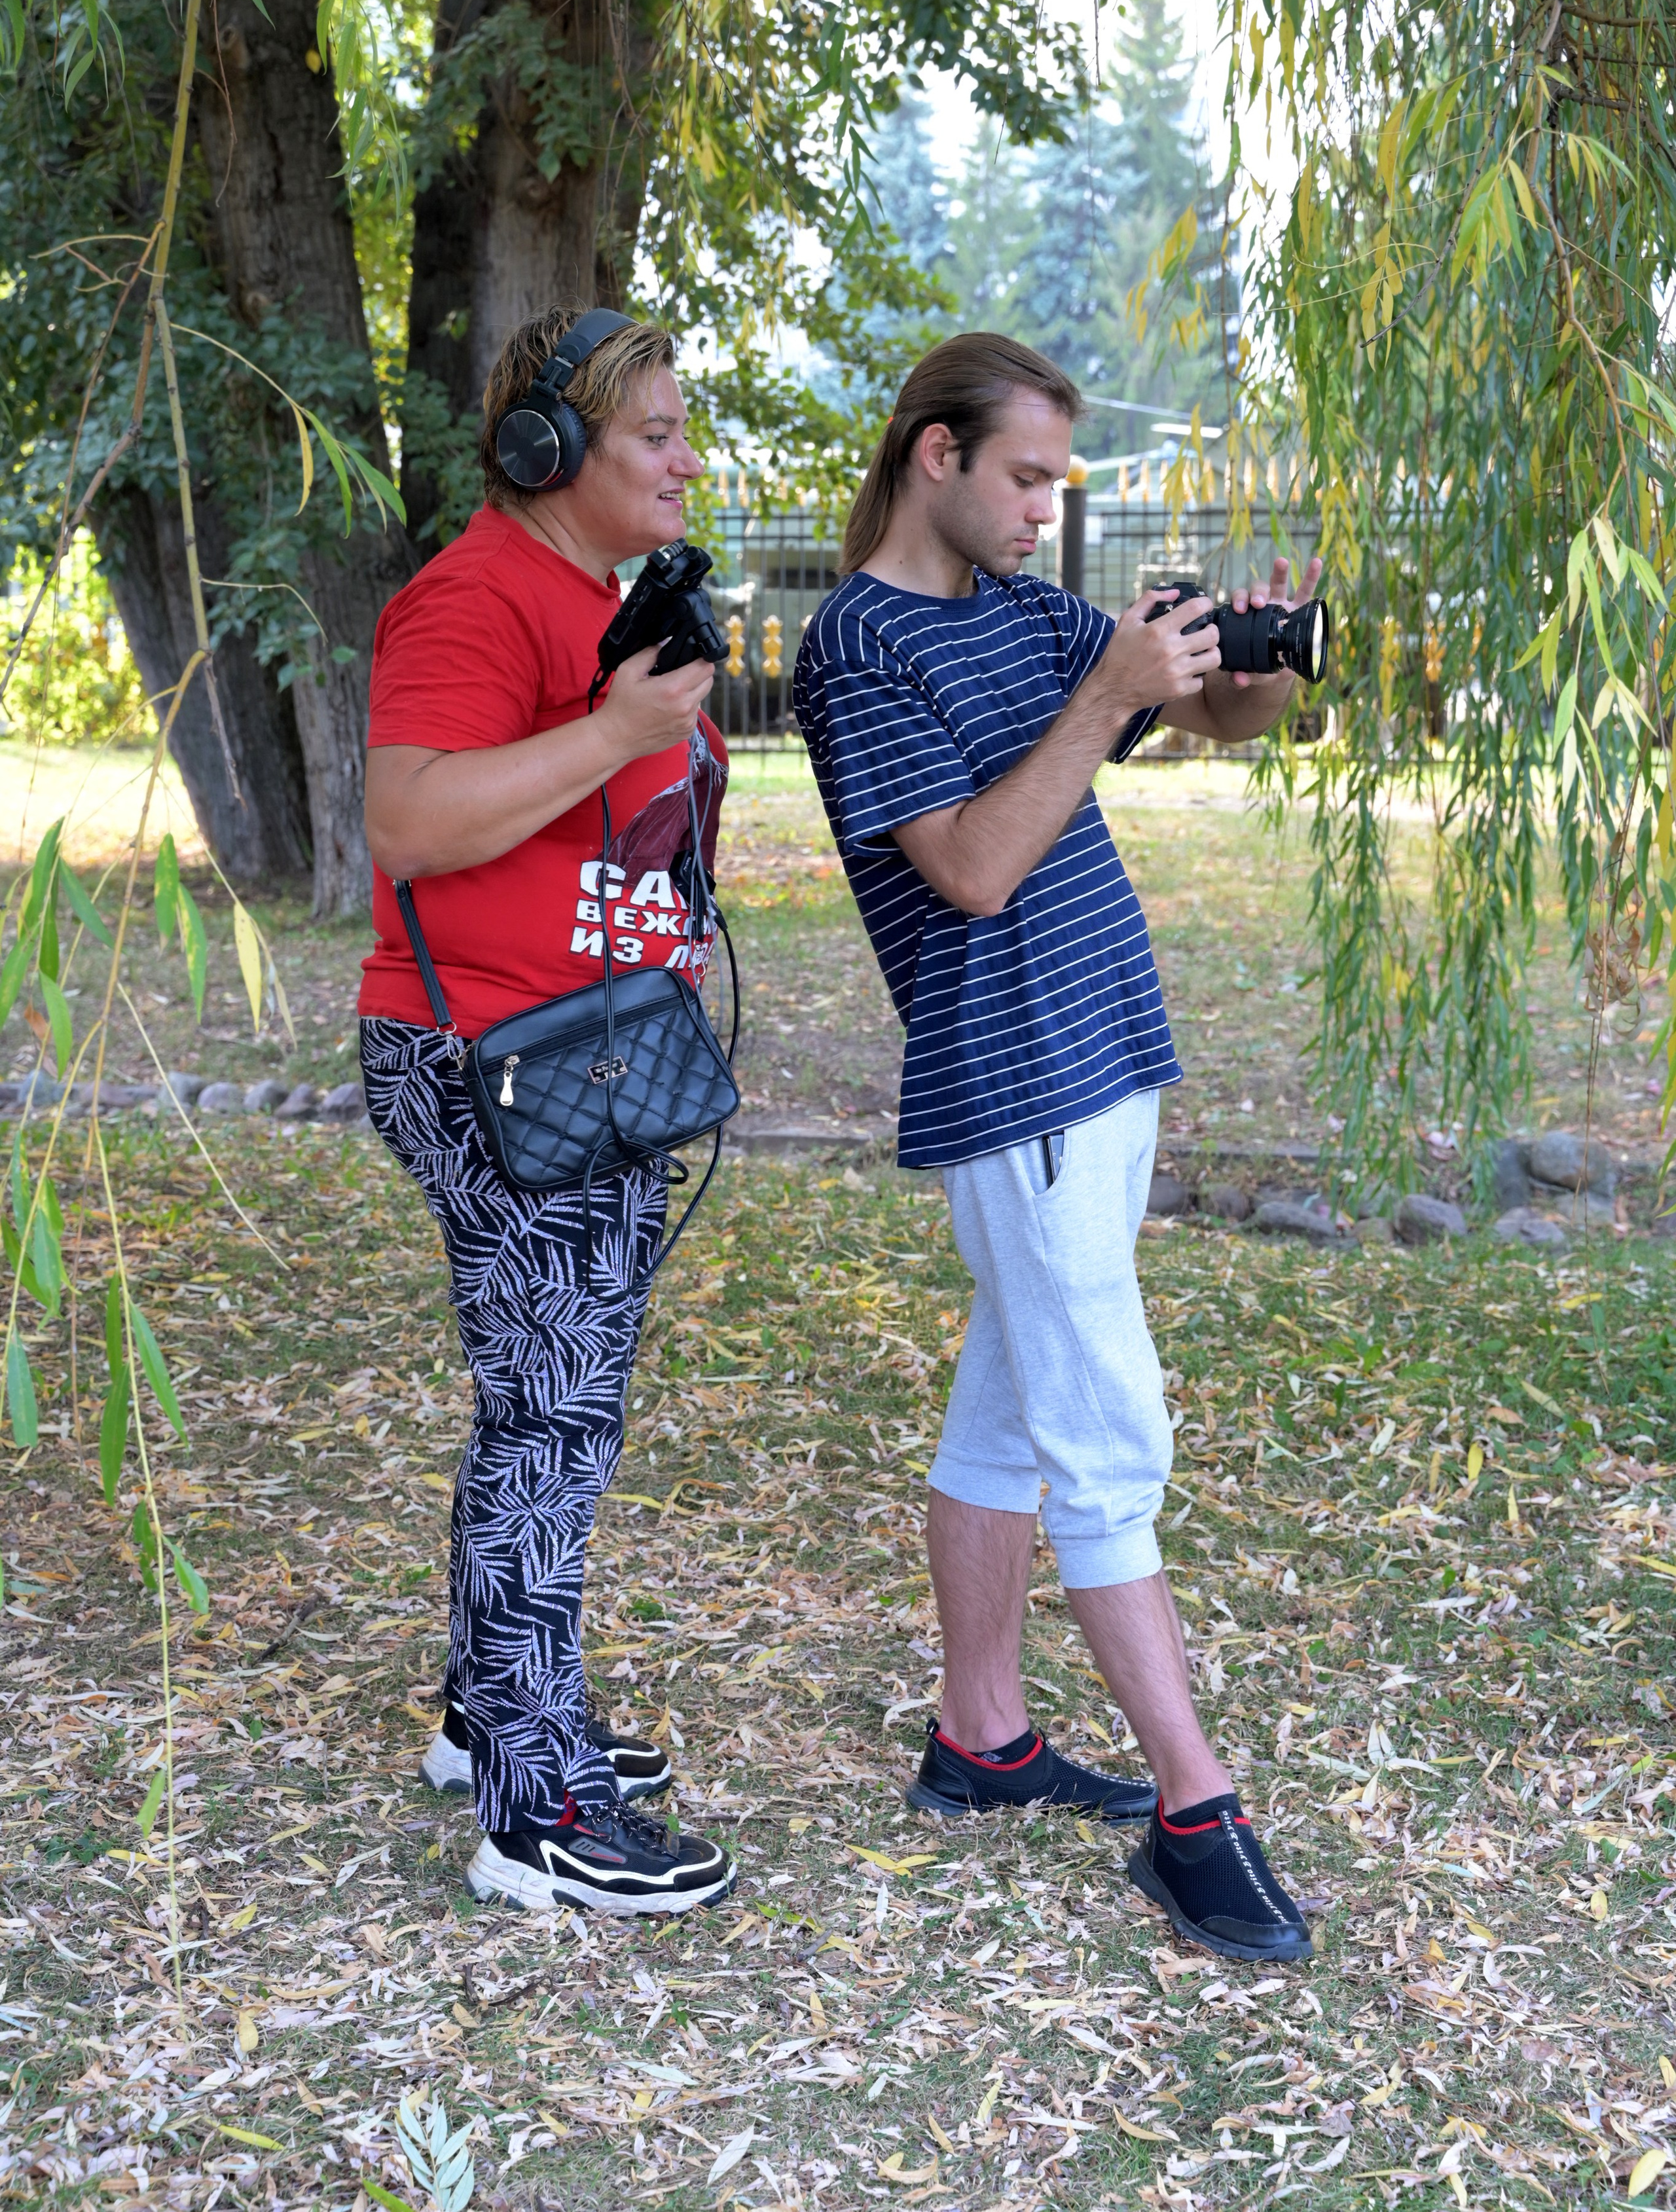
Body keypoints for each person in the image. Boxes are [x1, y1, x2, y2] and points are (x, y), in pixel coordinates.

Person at [792, 334, 1319, 1964]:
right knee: (1101, 1417)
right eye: (1023, 477)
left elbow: (1222, 728)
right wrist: (1103, 695)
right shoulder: (854, 647)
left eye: (1055, 485)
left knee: (1015, 1396)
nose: (1042, 511)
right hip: (1010, 1080)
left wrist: (1257, 662)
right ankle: (1192, 1804)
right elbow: (965, 866)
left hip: (1101, 1059)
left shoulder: (1026, 611)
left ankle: (982, 1734)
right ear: (931, 457)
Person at [359, 307, 735, 1917]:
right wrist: (607, 728)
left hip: (588, 1051)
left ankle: (487, 1708)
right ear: (548, 452)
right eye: (653, 430)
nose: (683, 455)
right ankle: (531, 1805)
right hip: (497, 1064)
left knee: (543, 1399)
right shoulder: (472, 595)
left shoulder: (591, 600)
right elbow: (408, 813)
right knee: (554, 1420)